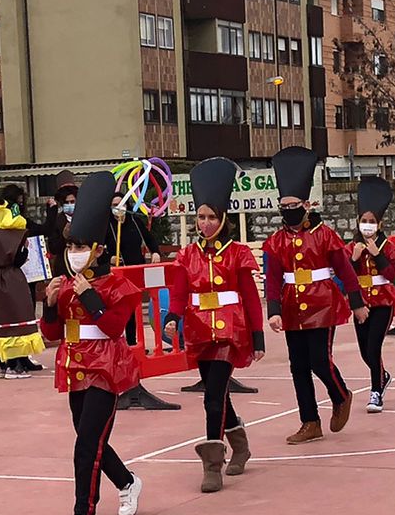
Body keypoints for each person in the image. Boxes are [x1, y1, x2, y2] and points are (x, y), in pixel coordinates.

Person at [42, 171, 146, 515]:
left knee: (86, 442)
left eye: (82, 247)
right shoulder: (65, 284)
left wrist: (90, 296)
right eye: (71, 248)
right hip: (74, 366)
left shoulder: (118, 284)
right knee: (91, 438)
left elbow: (114, 327)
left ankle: (83, 514)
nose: (75, 254)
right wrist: (51, 305)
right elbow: (52, 334)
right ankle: (128, 481)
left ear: (99, 250)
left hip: (106, 367)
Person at [164, 157, 264, 492]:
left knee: (211, 399)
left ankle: (212, 462)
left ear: (223, 220)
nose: (205, 223)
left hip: (229, 331)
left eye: (211, 217)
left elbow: (250, 297)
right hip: (198, 330)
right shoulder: (187, 255)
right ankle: (242, 446)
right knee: (218, 393)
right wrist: (172, 319)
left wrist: (258, 336)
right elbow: (178, 293)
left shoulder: (237, 254)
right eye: (201, 217)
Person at [261, 145, 367, 443]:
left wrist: (356, 303)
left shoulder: (324, 235)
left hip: (323, 303)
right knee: (298, 366)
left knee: (320, 360)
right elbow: (272, 278)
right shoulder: (275, 241)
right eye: (283, 204)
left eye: (293, 204)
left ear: (306, 204)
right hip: (293, 306)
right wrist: (274, 310)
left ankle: (341, 394)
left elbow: (345, 270)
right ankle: (310, 421)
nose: (287, 209)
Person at [109, 175, 181, 412]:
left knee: (135, 312)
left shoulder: (135, 222)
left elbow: (150, 240)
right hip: (115, 276)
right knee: (119, 314)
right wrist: (109, 258)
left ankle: (135, 344)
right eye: (114, 205)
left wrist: (156, 252)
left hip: (136, 273)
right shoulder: (107, 226)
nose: (118, 209)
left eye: (122, 205)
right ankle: (123, 348)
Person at [0, 186, 45, 377]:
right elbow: (19, 259)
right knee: (16, 317)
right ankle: (15, 365)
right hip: (12, 278)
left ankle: (3, 363)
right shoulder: (15, 234)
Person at [348, 174, 395, 410]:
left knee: (373, 347)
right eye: (363, 220)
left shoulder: (388, 247)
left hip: (382, 303)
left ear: (379, 223)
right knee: (364, 351)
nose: (367, 224)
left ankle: (375, 393)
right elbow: (345, 278)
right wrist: (354, 259)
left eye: (371, 220)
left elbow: (392, 275)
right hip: (361, 303)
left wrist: (377, 255)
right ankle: (383, 376)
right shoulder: (352, 247)